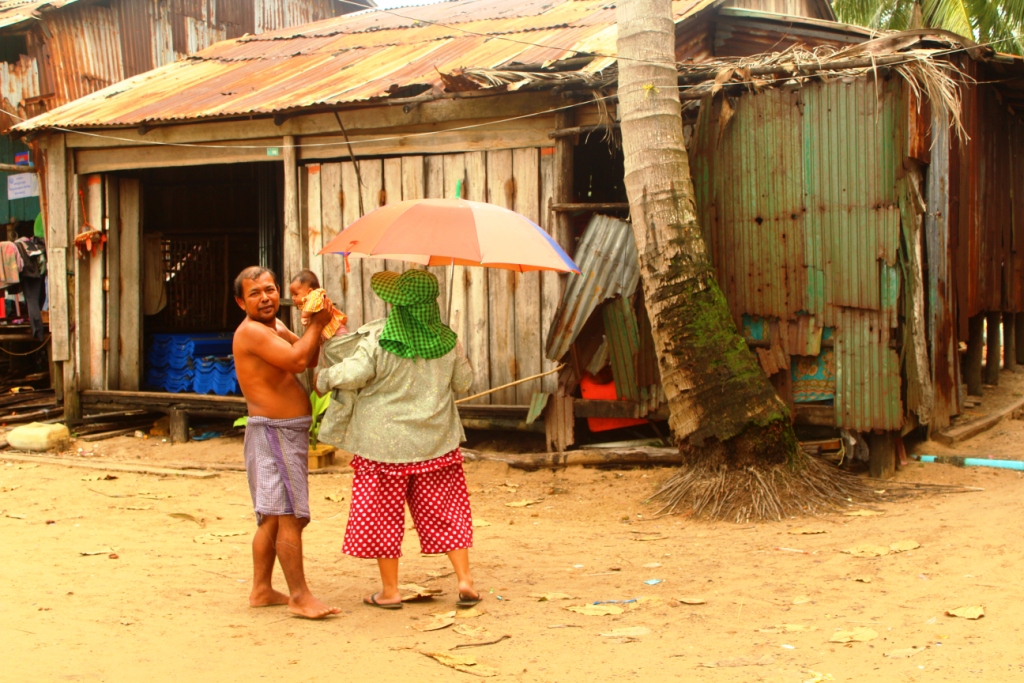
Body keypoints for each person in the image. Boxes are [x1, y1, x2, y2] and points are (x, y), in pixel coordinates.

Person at [317, 269, 480, 609]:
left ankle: (390, 592)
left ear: (398, 305)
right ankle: (465, 581)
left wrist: (323, 377)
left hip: (382, 447)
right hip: (435, 444)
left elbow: (355, 373)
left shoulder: (379, 338)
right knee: (446, 512)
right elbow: (464, 384)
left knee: (381, 518)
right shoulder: (448, 341)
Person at [232, 265, 341, 619]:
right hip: (275, 432)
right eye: (255, 293)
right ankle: (299, 596)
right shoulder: (251, 332)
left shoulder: (274, 326)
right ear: (240, 302)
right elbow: (296, 361)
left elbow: (307, 356)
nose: (265, 298)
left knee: (273, 519)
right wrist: (314, 324)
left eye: (270, 289)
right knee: (290, 516)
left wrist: (323, 322)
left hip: (280, 432)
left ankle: (262, 590)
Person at [289, 270, 348, 339]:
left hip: (337, 331)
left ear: (309, 292)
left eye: (296, 294)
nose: (293, 298)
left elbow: (311, 305)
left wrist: (304, 316)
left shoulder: (316, 295)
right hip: (329, 335)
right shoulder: (306, 305)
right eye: (292, 295)